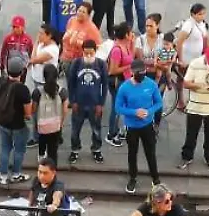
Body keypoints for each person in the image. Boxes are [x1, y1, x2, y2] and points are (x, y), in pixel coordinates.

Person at [177, 44, 209, 172]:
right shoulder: (195, 64)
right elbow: (186, 83)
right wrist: (197, 86)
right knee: (191, 133)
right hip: (195, 106)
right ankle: (187, 156)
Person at [115, 59, 161, 194]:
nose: (142, 74)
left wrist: (149, 111)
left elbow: (158, 103)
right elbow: (118, 107)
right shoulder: (124, 87)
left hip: (147, 125)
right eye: (139, 72)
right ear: (132, 72)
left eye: (143, 72)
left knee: (150, 153)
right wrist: (134, 112)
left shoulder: (151, 84)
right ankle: (133, 178)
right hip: (132, 127)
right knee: (132, 153)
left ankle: (155, 178)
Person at [67, 38, 106, 165]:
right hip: (79, 104)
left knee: (96, 129)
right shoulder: (76, 63)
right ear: (82, 52)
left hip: (95, 104)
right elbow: (70, 83)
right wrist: (73, 101)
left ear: (95, 51)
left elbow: (104, 85)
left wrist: (101, 103)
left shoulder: (101, 64)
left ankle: (96, 149)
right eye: (86, 53)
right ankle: (75, 150)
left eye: (91, 53)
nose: (88, 56)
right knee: (75, 130)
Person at [0, 55, 31, 185]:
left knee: (5, 148)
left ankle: (3, 175)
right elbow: (28, 112)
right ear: (21, 72)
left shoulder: (0, 81)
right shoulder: (23, 89)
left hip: (2, 122)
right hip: (18, 125)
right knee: (19, 150)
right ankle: (16, 174)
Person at [33, 63, 68, 167]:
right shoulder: (62, 91)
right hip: (56, 125)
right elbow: (65, 110)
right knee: (53, 147)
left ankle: (41, 158)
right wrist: (61, 123)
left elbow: (34, 109)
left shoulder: (37, 92)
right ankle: (52, 168)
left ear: (44, 76)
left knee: (42, 142)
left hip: (42, 124)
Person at [105, 23, 135, 142]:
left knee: (120, 107)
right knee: (116, 108)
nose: (132, 34)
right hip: (117, 81)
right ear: (126, 35)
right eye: (130, 32)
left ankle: (116, 130)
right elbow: (113, 70)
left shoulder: (126, 45)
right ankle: (111, 134)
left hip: (124, 81)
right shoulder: (117, 49)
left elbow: (130, 57)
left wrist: (132, 44)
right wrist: (128, 66)